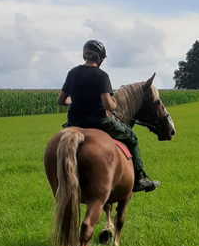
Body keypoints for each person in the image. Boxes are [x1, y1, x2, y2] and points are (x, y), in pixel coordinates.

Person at [56, 39, 160, 193]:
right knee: (132, 138)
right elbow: (107, 104)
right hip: (98, 123)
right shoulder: (102, 76)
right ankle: (140, 179)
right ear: (100, 58)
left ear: (85, 55)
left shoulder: (72, 73)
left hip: (74, 123)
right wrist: (113, 105)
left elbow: (61, 100)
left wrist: (74, 100)